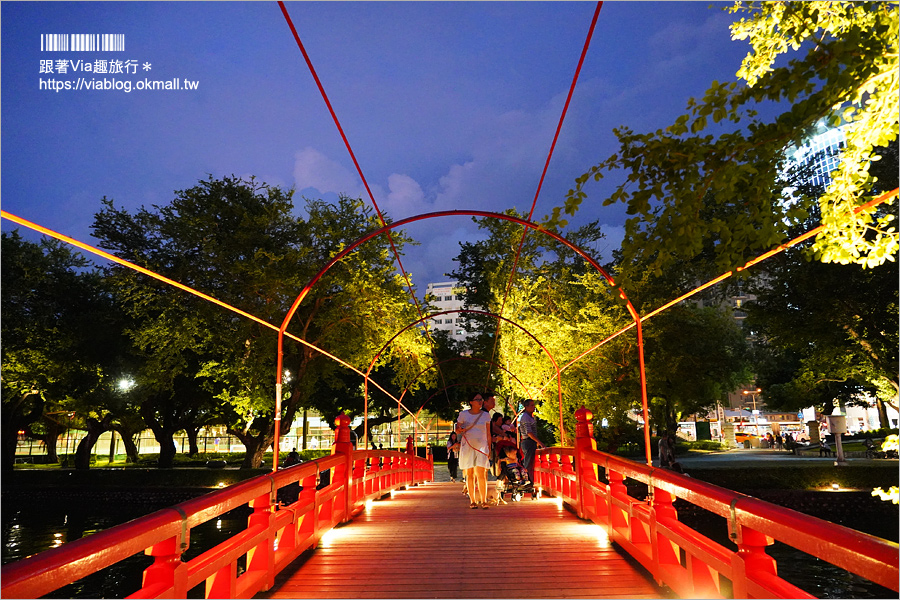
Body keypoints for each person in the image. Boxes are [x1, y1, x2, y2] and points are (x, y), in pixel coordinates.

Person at [458, 393, 492, 509]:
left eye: (481, 399)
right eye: (477, 399)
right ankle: (472, 500)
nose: (480, 401)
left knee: (481, 473)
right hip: (468, 446)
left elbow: (488, 433)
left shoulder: (486, 415)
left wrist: (489, 447)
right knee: (470, 473)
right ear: (471, 402)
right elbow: (458, 428)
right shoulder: (463, 414)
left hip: (481, 446)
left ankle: (483, 500)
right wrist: (459, 429)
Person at [517, 399, 545, 484]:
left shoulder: (529, 416)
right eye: (532, 405)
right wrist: (539, 442)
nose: (534, 407)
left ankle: (529, 480)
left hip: (529, 442)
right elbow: (529, 433)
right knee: (528, 463)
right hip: (528, 442)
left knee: (529, 462)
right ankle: (528, 481)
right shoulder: (526, 417)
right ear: (526, 407)